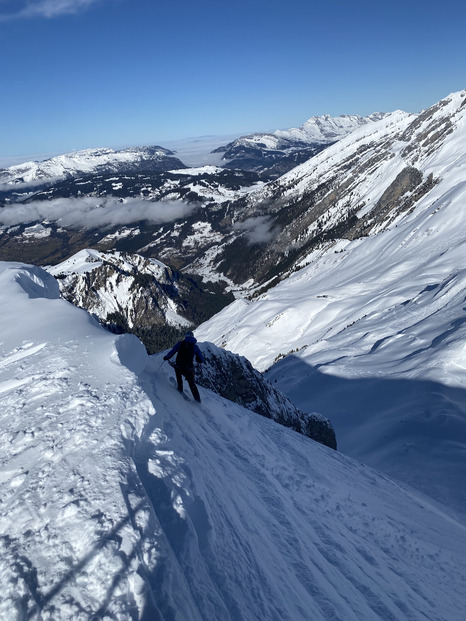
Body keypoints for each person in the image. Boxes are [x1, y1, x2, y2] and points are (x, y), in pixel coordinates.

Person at [164, 331, 205, 402]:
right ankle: (197, 399)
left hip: (179, 366)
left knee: (179, 375)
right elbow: (202, 359)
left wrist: (166, 357)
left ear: (186, 336)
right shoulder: (195, 347)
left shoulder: (180, 344)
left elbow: (172, 352)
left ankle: (180, 388)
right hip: (189, 368)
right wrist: (199, 359)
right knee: (191, 383)